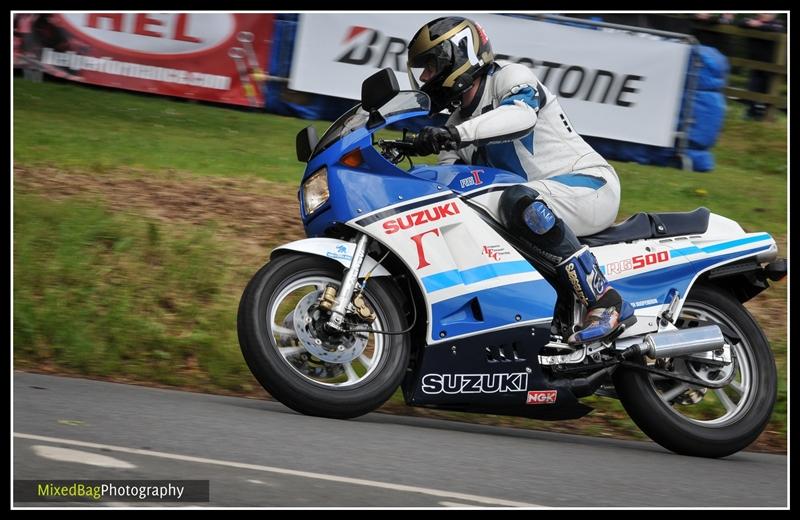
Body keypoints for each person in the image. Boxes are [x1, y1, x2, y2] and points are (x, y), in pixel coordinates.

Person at [405, 16, 634, 345]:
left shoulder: (509, 78)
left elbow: (521, 116)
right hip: (543, 199)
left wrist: (452, 135)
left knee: (517, 201)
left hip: (589, 186)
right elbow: (448, 181)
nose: (425, 77)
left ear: (458, 56)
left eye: (429, 66)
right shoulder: (457, 121)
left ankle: (605, 301)